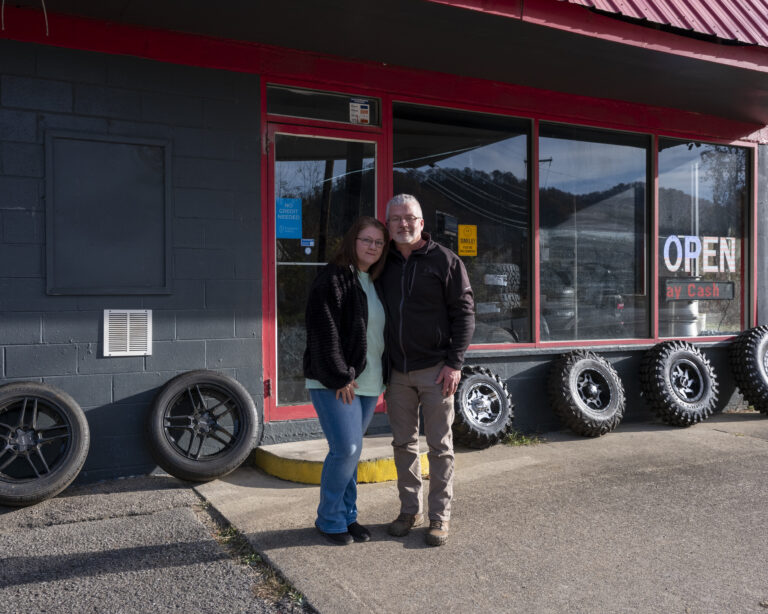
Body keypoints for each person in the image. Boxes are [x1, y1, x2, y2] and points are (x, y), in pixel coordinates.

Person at [380, 194, 475, 546]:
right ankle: (410, 510)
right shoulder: (382, 263)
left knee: (439, 447)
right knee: (403, 445)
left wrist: (454, 363)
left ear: (422, 222)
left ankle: (439, 517)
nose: (403, 224)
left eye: (409, 218)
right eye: (396, 219)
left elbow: (464, 315)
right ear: (388, 225)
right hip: (397, 372)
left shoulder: (445, 261)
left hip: (436, 371)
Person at [303, 216, 389, 546]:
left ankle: (347, 515)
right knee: (346, 448)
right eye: (366, 239)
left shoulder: (375, 281)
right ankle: (328, 518)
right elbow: (324, 330)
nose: (372, 246)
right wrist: (339, 374)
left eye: (379, 243)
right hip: (336, 381)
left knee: (353, 452)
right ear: (352, 240)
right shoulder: (335, 277)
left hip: (369, 382)